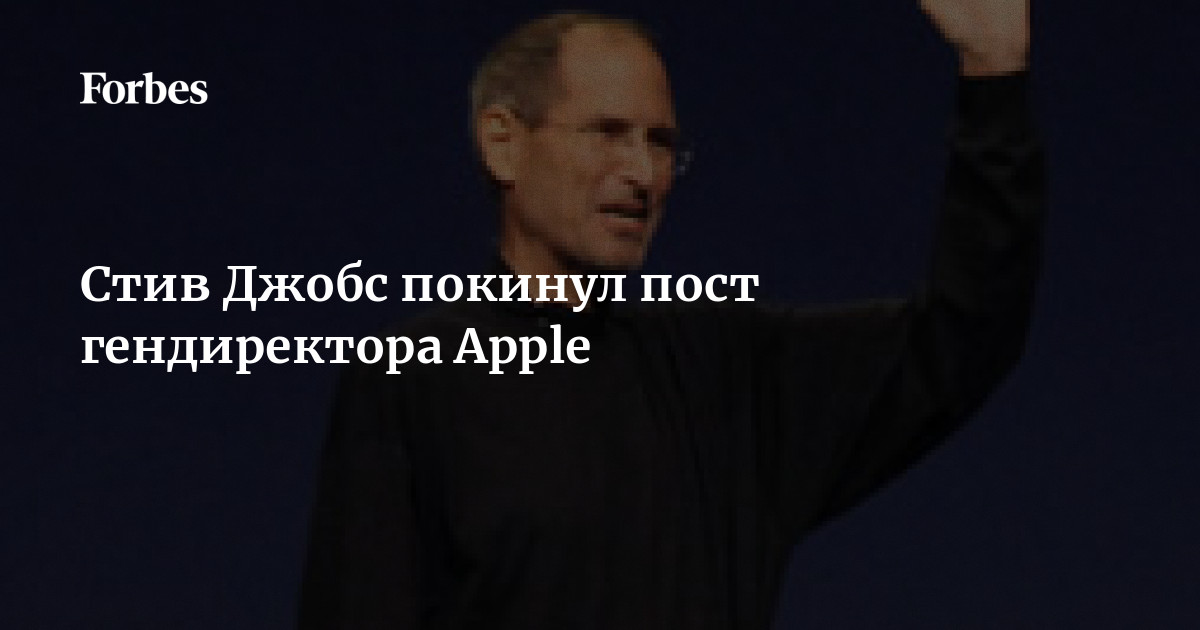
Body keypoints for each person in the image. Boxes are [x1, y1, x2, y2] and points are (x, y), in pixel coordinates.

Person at [298, 3, 1045, 628]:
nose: (641, 173)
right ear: (504, 144)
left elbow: (963, 335)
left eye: (660, 144)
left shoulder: (730, 376)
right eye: (606, 133)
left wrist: (994, 74)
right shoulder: (414, 374)